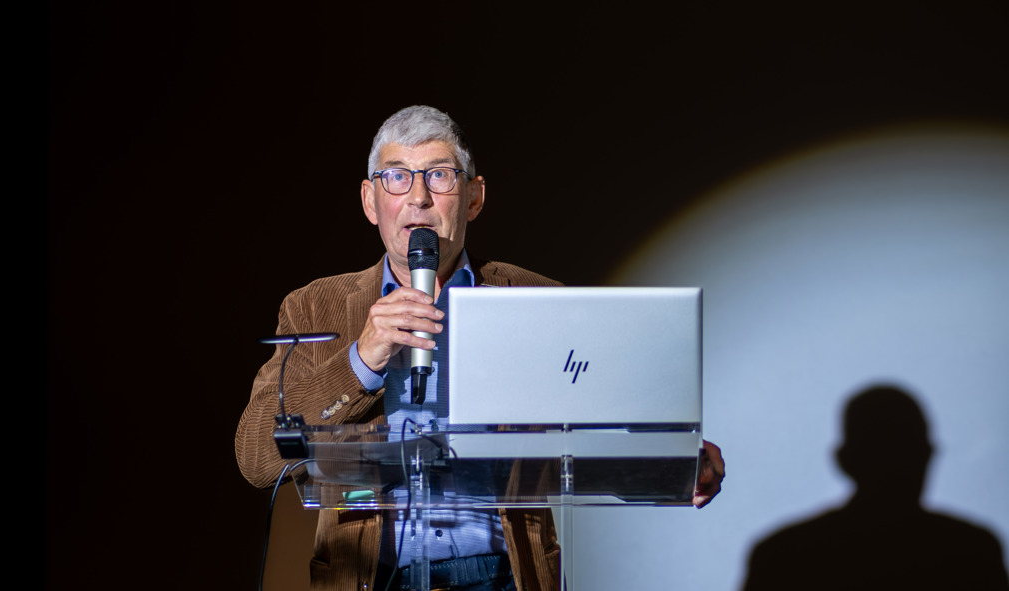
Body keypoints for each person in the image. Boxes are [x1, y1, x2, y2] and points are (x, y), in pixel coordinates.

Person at [236, 105, 725, 591]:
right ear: (370, 200)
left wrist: (677, 462)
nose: (419, 198)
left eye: (440, 175)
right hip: (373, 580)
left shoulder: (536, 299)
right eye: (397, 177)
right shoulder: (313, 307)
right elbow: (257, 457)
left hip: (501, 576)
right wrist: (362, 360)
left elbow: (605, 430)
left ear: (473, 197)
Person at [742, 385, 1008, 590]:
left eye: (904, 449)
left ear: (843, 460)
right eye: (886, 449)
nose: (897, 466)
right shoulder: (971, 551)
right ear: (928, 454)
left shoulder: (784, 556)